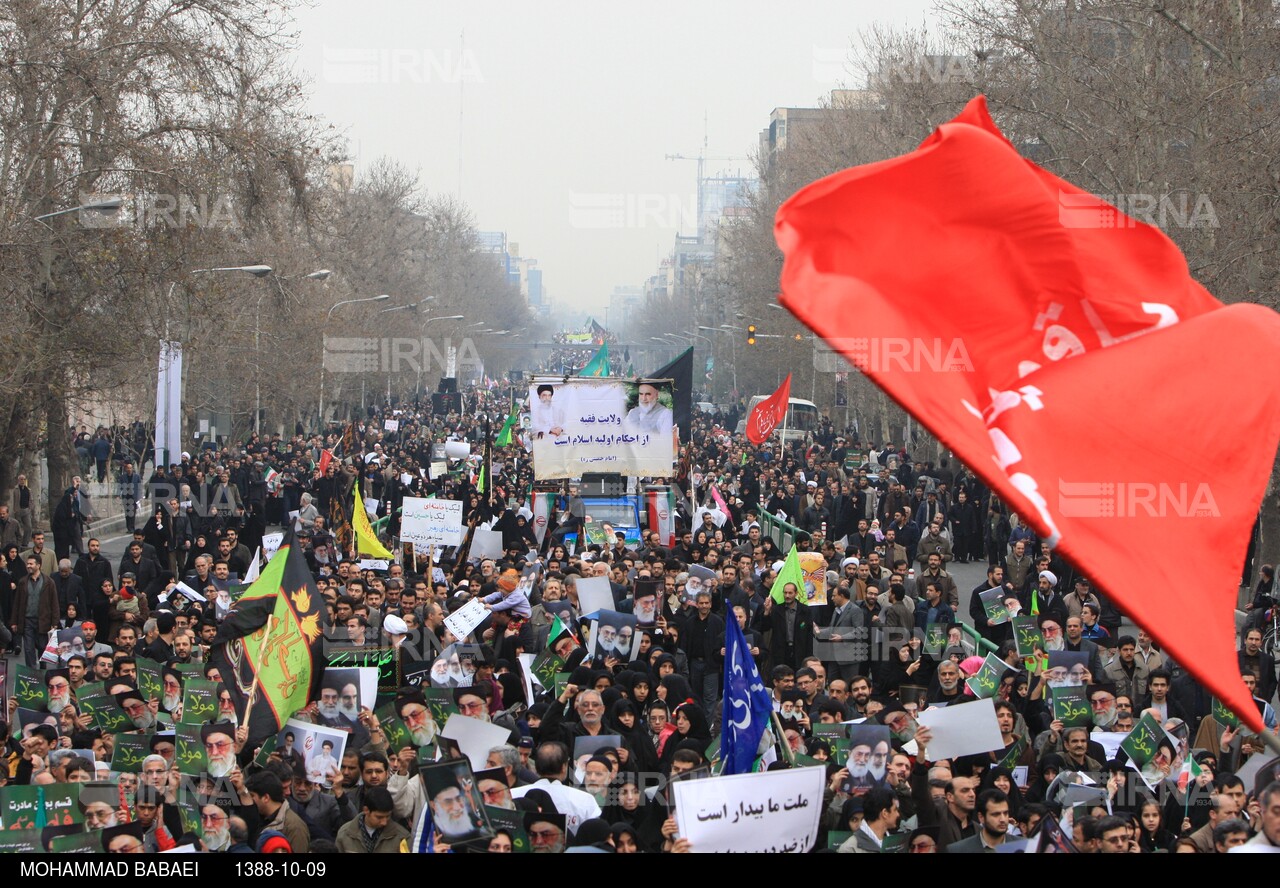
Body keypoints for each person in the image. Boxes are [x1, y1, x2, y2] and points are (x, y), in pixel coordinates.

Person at [335, 786, 407, 853]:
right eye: (379, 817)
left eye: (388, 816)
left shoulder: (402, 837)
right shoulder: (345, 834)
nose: (384, 822)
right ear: (366, 810)